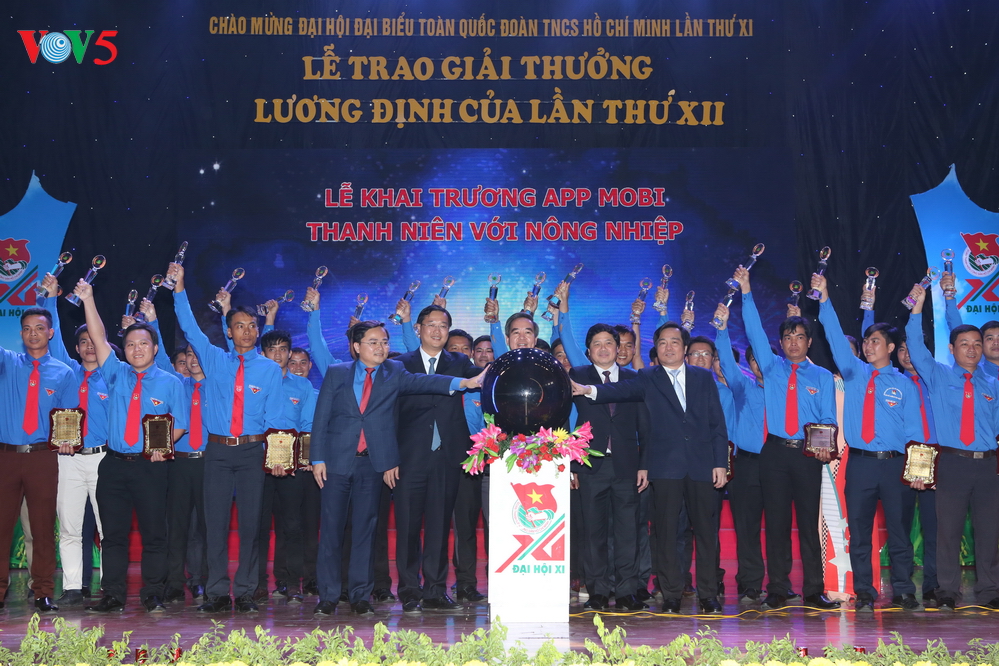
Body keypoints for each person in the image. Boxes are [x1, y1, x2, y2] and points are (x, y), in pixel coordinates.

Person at [310, 320, 484, 616]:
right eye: (373, 342)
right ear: (357, 347)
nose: (381, 348)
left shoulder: (394, 371)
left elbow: (426, 382)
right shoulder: (337, 373)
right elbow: (321, 416)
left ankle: (360, 596)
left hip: (372, 465)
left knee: (366, 532)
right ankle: (327, 596)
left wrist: (462, 383)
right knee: (331, 532)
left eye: (384, 342)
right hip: (336, 463)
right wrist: (317, 459)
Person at [572, 321, 728, 615]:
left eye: (675, 342)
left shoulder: (703, 377)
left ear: (684, 347)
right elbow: (619, 389)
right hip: (665, 467)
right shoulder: (646, 377)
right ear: (655, 348)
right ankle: (671, 595)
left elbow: (717, 423)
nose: (669, 347)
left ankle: (709, 595)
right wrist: (589, 390)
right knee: (665, 534)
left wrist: (720, 462)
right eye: (662, 343)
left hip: (702, 466)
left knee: (706, 534)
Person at [168, 262, 284, 613]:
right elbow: (189, 327)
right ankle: (217, 591)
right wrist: (179, 289)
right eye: (239, 326)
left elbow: (275, 417)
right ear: (229, 332)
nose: (246, 331)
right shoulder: (215, 360)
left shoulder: (270, 368)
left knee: (251, 525)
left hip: (252, 452)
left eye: (251, 326)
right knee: (215, 524)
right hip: (217, 453)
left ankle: (246, 590)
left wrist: (279, 458)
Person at [74, 280, 188, 613]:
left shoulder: (171, 382)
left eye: (143, 344)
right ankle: (113, 594)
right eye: (131, 344)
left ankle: (153, 592)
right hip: (113, 465)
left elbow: (180, 424)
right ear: (123, 350)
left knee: (154, 533)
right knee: (112, 535)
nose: (137, 349)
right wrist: (88, 299)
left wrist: (162, 445)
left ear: (155, 348)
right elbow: (98, 337)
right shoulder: (116, 374)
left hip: (150, 466)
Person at [731, 266, 840, 611]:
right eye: (788, 338)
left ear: (809, 342)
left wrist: (823, 449)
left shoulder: (821, 376)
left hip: (807, 456)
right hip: (774, 454)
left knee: (808, 523)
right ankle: (777, 588)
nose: (793, 342)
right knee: (776, 523)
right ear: (781, 343)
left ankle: (814, 590)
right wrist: (746, 291)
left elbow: (828, 418)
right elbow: (753, 329)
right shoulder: (772, 366)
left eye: (799, 337)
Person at [813, 274, 921, 611]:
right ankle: (864, 591)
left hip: (894, 464)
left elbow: (914, 432)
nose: (869, 346)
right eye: (866, 341)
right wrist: (824, 298)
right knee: (858, 532)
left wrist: (918, 471)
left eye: (876, 341)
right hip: (859, 464)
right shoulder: (854, 372)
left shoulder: (905, 385)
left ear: (890, 348)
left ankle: (904, 589)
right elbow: (833, 334)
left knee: (899, 531)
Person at [905, 284, 999, 610]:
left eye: (977, 344)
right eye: (964, 344)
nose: (972, 350)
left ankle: (989, 590)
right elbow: (915, 346)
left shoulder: (993, 383)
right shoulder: (938, 375)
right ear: (952, 348)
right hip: (953, 464)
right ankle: (947, 591)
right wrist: (916, 308)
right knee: (948, 531)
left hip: (987, 465)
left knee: (989, 532)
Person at [395, 305, 481, 612]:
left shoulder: (459, 362)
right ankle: (409, 589)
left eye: (443, 325)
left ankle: (434, 589)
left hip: (447, 457)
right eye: (431, 325)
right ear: (418, 329)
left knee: (439, 526)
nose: (437, 330)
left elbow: (485, 377)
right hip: (409, 457)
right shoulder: (400, 363)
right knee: (407, 526)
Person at [37, 276, 110, 607]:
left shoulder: (114, 375)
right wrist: (50, 299)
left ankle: (109, 588)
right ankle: (72, 588)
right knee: (69, 526)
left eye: (93, 341)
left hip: (104, 459)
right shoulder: (66, 372)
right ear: (77, 348)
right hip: (67, 458)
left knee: (107, 529)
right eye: (83, 342)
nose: (89, 346)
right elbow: (52, 344)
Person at [569, 323, 650, 612]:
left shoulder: (634, 378)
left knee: (628, 531)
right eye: (597, 344)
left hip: (627, 466)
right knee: (593, 532)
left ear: (618, 349)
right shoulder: (577, 376)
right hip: (589, 465)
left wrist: (644, 464)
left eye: (608, 343)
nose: (603, 348)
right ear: (588, 350)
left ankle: (627, 592)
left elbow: (645, 425)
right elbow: (565, 420)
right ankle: (598, 592)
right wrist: (570, 464)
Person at [0, 307, 76, 613]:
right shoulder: (7, 362)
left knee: (43, 527)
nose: (33, 333)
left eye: (40, 328)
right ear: (21, 334)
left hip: (42, 458)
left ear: (50, 332)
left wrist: (68, 440)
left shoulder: (63, 372)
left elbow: (68, 416)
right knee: (1, 526)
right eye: (28, 328)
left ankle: (43, 591)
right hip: (5, 456)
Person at [712, 303, 767, 602]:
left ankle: (780, 585)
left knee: (779, 526)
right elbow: (727, 366)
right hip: (747, 464)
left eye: (763, 359)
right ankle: (750, 583)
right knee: (747, 527)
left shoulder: (787, 391)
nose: (759, 364)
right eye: (753, 360)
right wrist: (722, 330)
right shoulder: (743, 388)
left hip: (780, 462)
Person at [896, 337, 940, 606]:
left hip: (935, 460)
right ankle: (903, 587)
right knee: (900, 528)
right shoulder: (891, 383)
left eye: (912, 350)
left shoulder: (937, 382)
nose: (907, 355)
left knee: (935, 527)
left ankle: (934, 585)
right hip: (900, 460)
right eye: (902, 349)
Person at [450, 332, 489, 603]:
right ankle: (456, 583)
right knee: (454, 527)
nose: (461, 353)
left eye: (465, 348)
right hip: (449, 464)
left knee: (477, 526)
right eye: (454, 348)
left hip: (480, 464)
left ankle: (479, 581)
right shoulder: (445, 384)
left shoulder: (484, 388)